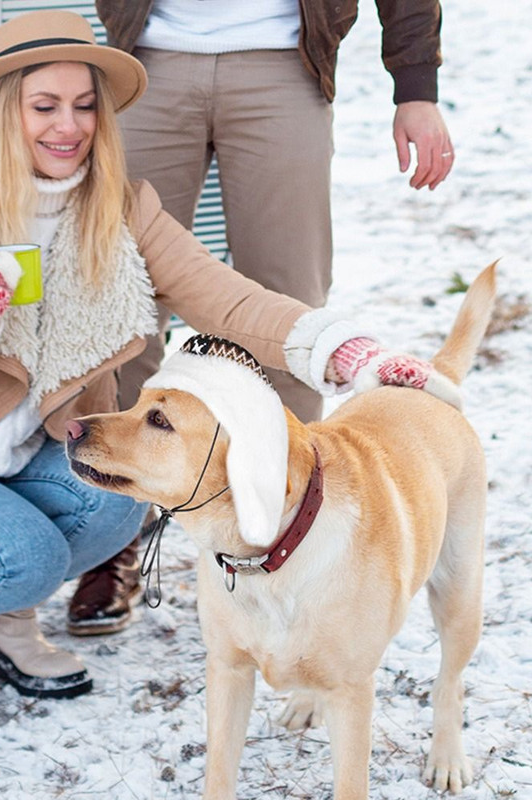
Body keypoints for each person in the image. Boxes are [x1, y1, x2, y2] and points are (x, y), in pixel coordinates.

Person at [0, 9, 456, 712]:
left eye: (86, 106)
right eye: (45, 107)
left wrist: (345, 351)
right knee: (23, 559)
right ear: (2, 114)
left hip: (21, 458)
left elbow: (231, 302)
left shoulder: (121, 207)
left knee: (115, 503)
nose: (70, 126)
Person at [67, 0, 455, 636]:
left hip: (282, 65)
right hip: (150, 64)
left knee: (289, 309)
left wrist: (415, 87)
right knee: (123, 309)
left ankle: (292, 539)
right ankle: (111, 546)